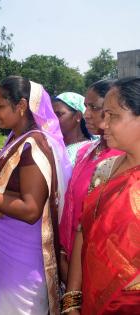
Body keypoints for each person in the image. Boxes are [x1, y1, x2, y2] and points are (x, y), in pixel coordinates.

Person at [0, 76, 72, 315]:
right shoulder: (16, 139)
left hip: (21, 258)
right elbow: (10, 187)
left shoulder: (33, 144)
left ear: (20, 106)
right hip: (4, 251)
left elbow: (30, 209)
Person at [64, 77, 140, 315]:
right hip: (91, 300)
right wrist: (72, 300)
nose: (103, 124)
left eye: (113, 116)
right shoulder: (104, 170)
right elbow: (83, 231)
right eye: (103, 114)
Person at [59, 80, 121, 282]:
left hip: (98, 265)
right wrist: (62, 253)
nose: (86, 114)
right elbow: (71, 204)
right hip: (68, 256)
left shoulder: (121, 158)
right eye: (85, 106)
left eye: (94, 107)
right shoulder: (85, 152)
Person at [52, 92, 92, 165]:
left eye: (59, 114)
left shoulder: (88, 150)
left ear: (78, 116)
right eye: (52, 115)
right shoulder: (52, 145)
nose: (54, 119)